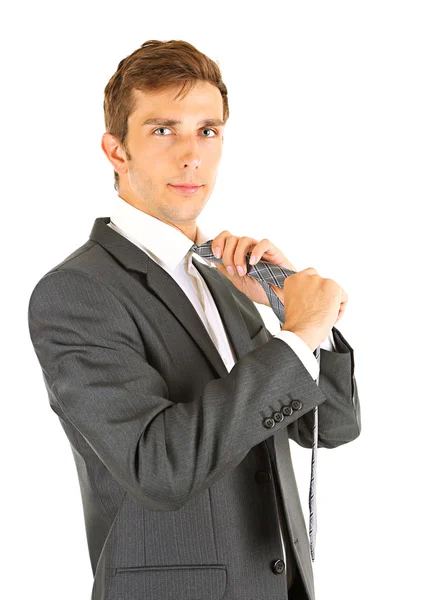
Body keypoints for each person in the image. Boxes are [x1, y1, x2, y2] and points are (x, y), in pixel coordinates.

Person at [27, 39, 361, 600]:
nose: (192, 155)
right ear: (116, 150)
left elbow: (330, 426)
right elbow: (160, 468)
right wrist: (296, 336)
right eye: (163, 130)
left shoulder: (222, 278)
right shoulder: (76, 293)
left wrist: (295, 314)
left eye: (208, 131)